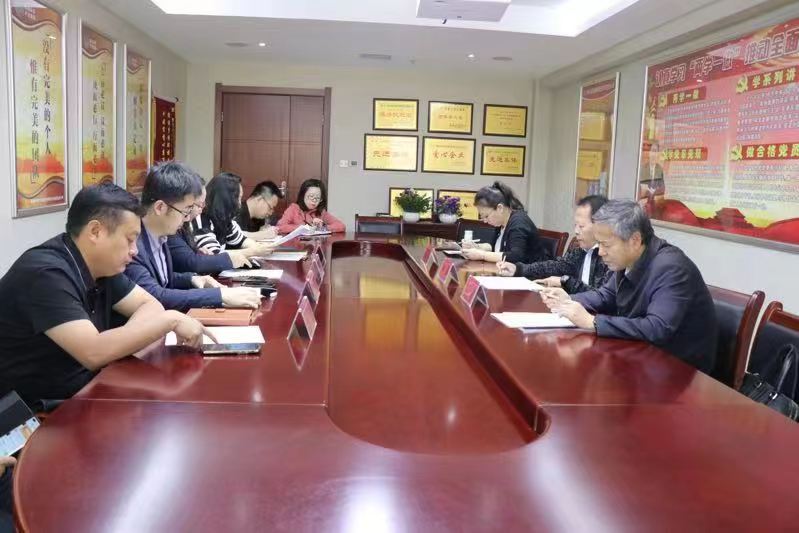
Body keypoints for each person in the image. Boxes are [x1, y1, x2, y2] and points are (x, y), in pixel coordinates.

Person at [0, 183, 210, 408]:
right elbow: (93, 352)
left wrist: (119, 345)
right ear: (95, 231)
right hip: (38, 412)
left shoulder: (102, 265)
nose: (135, 251)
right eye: (129, 239)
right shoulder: (45, 274)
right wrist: (170, 320)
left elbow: (150, 305)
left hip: (90, 391)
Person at [541, 199, 717, 373]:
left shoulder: (671, 268)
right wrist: (569, 299)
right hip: (642, 357)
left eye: (606, 244)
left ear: (635, 240)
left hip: (680, 370)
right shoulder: (629, 258)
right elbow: (606, 296)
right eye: (599, 243)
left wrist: (593, 322)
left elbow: (657, 327)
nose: (600, 252)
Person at [125, 161, 263, 312]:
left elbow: (163, 279)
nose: (187, 218)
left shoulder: (160, 235)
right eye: (186, 210)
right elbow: (155, 296)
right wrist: (219, 295)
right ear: (160, 207)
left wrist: (192, 278)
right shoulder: (132, 245)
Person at [497, 195, 610, 294]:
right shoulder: (580, 250)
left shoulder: (609, 257)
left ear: (600, 225)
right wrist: (518, 269)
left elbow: (602, 297)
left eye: (581, 226)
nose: (576, 231)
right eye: (575, 225)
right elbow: (555, 266)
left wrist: (565, 281)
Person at [168, 182, 255, 274]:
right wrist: (232, 258)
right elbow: (192, 262)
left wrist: (197, 252)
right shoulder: (198, 222)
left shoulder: (183, 226)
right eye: (189, 207)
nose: (239, 204)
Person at [460, 181, 549, 264]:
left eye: (486, 216)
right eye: (482, 217)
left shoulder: (518, 222)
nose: (485, 221)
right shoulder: (501, 222)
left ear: (500, 208)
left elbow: (516, 256)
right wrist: (476, 247)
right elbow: (494, 247)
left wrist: (482, 255)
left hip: (532, 273)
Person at [193, 172, 278, 253]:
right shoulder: (201, 220)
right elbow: (215, 255)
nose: (239, 204)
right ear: (225, 198)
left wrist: (261, 247)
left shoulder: (226, 221)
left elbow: (242, 240)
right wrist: (254, 251)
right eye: (238, 198)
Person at [277, 178, 345, 234]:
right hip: (297, 245)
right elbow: (279, 227)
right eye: (311, 196)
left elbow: (341, 226)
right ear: (303, 195)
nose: (314, 200)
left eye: (318, 198)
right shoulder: (293, 209)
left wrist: (322, 227)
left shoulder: (320, 212)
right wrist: (305, 228)